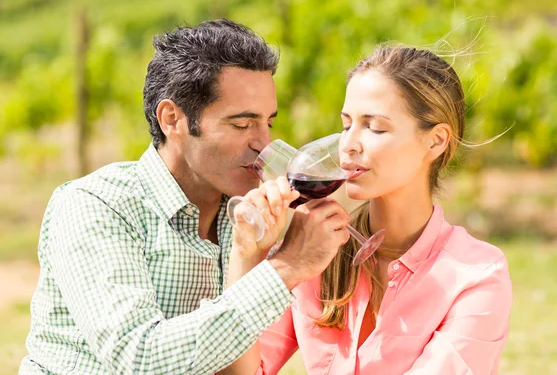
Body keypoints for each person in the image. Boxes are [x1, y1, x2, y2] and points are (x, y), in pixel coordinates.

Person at [19, 19, 350, 374]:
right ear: (172, 119)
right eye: (241, 124)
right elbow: (140, 358)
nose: (263, 143)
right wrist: (285, 268)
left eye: (268, 123)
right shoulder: (96, 205)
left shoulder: (248, 214)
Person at [223, 45, 513, 374]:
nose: (348, 144)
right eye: (347, 125)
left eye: (374, 128)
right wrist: (246, 253)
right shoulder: (315, 252)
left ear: (436, 141)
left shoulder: (476, 276)